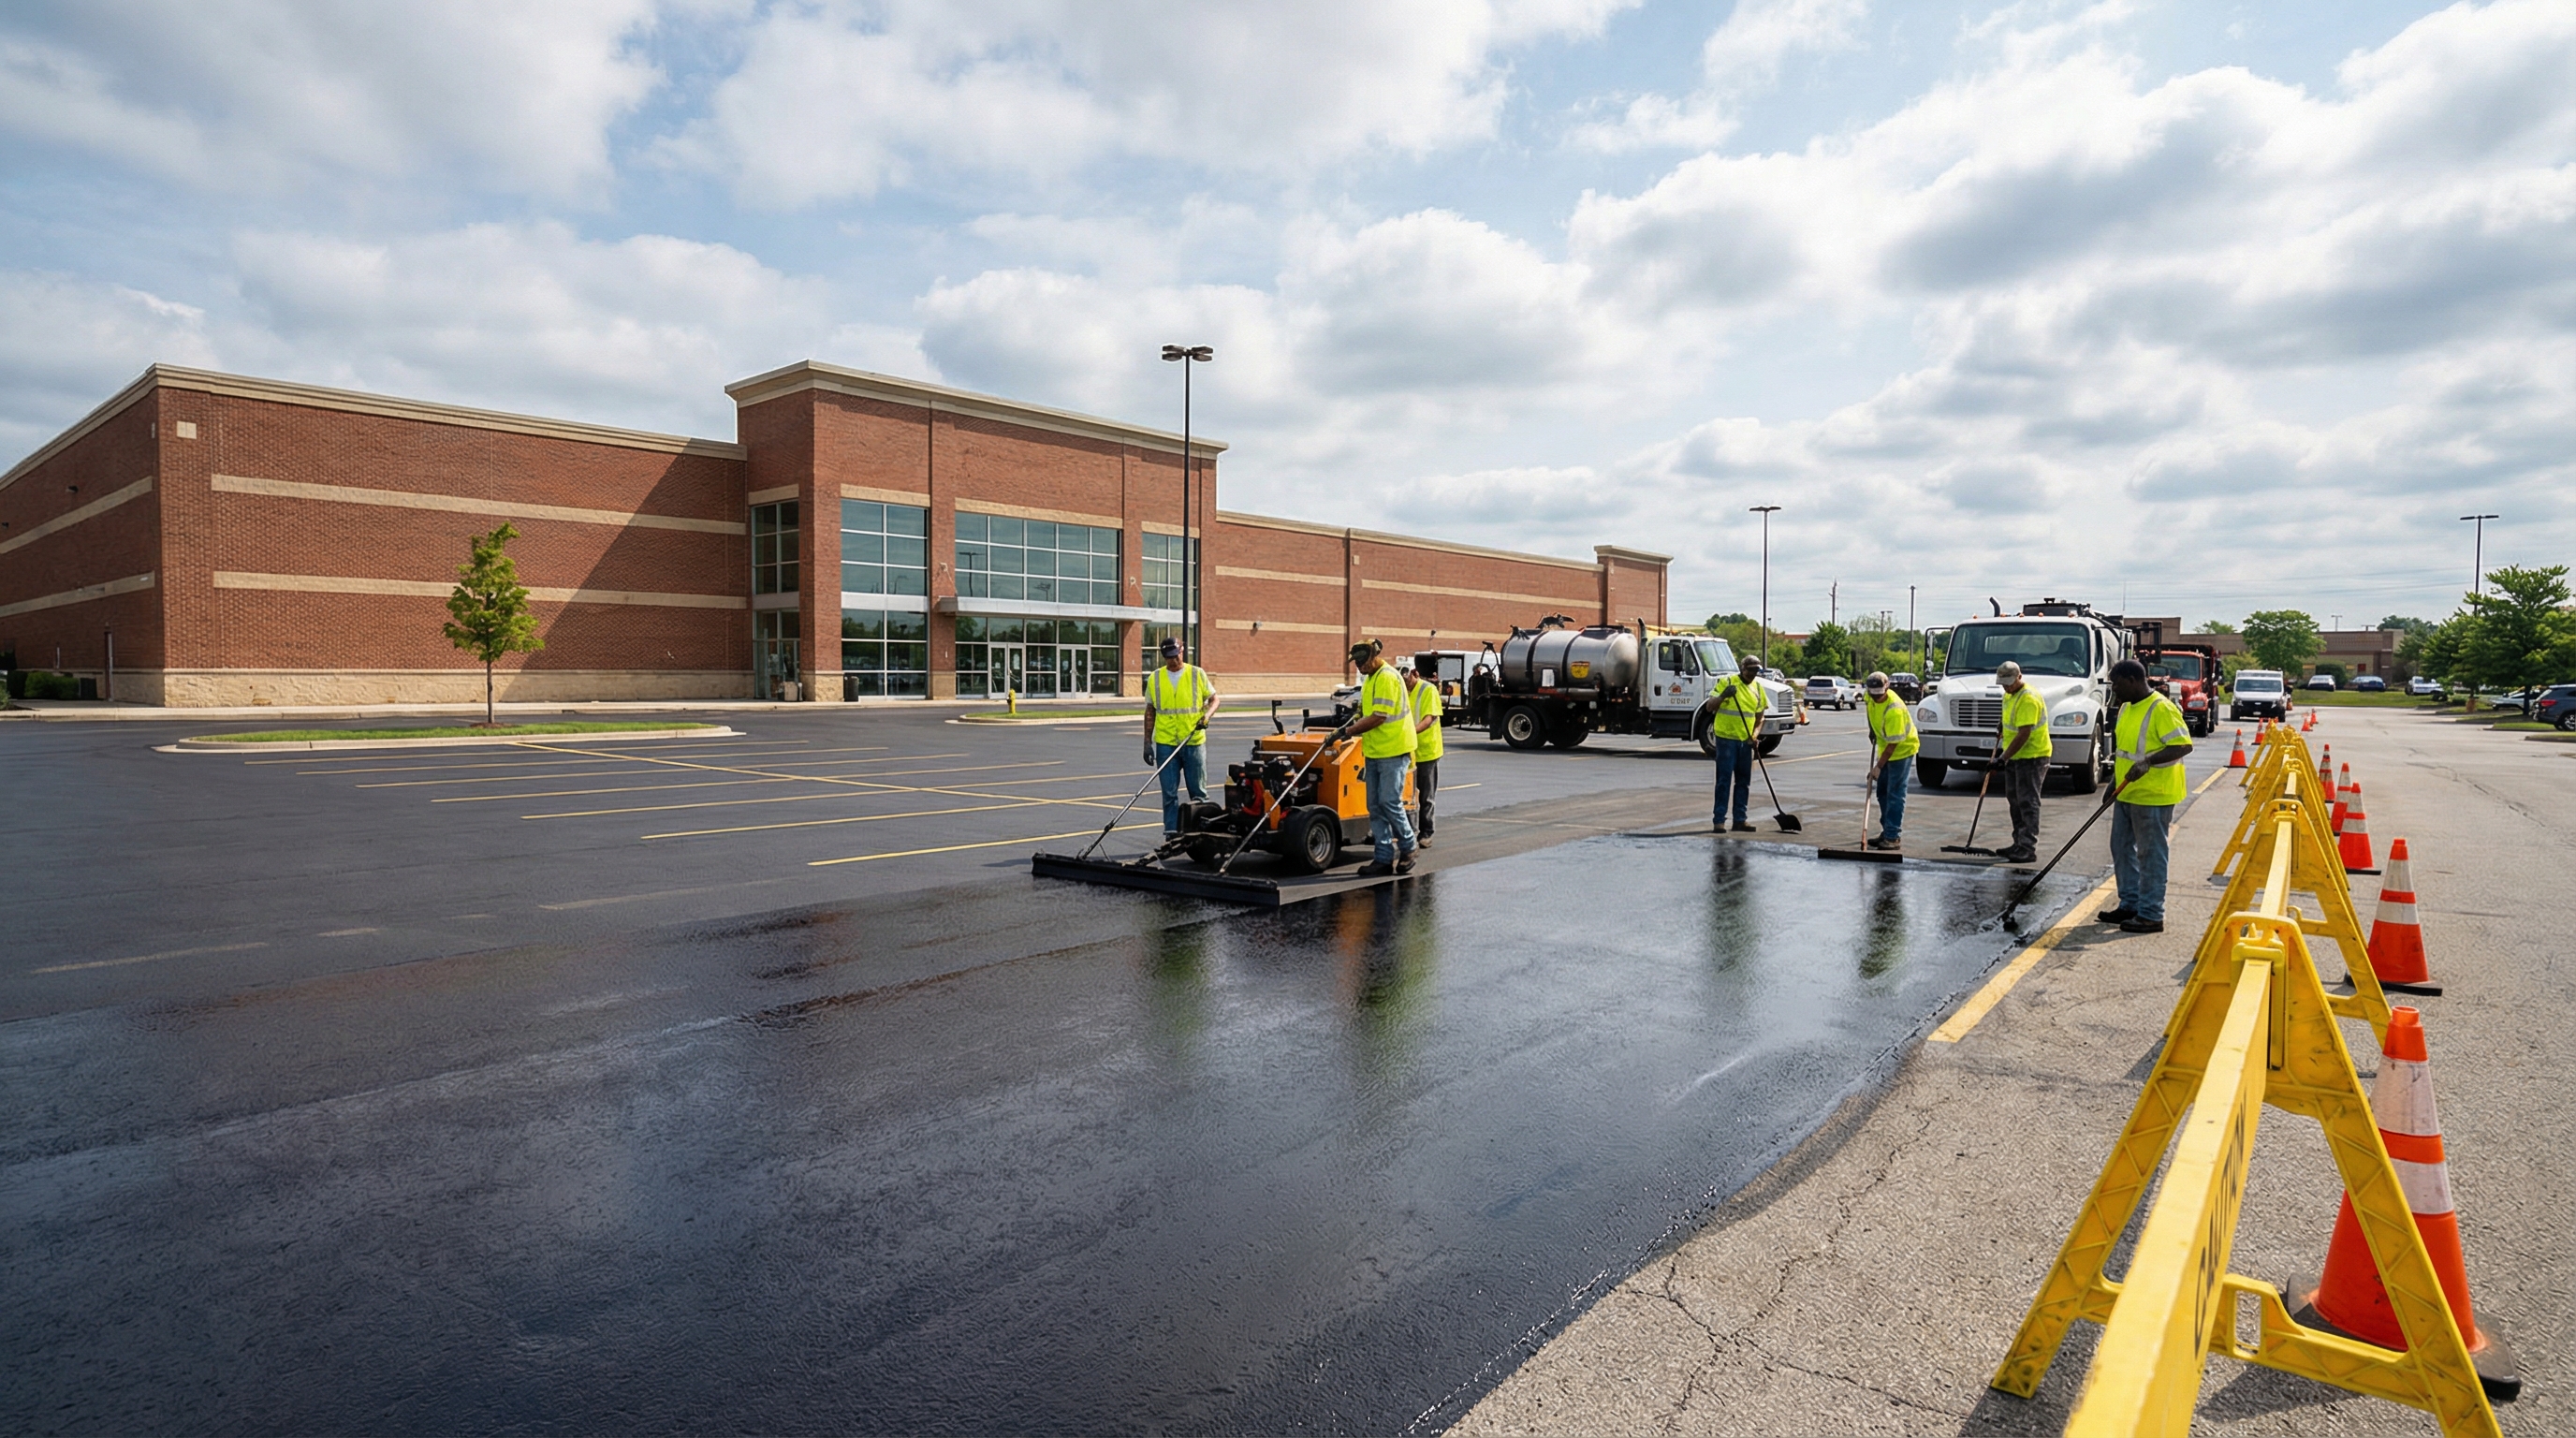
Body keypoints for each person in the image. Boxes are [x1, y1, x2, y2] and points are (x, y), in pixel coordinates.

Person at [2099, 658, 2194, 933]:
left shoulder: (2161, 708)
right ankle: (2130, 904)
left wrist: (2148, 762)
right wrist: (2113, 784)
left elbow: (2183, 745)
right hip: (2128, 791)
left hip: (2154, 795)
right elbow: (2126, 752)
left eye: (2116, 685)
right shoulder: (2127, 707)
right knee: (2121, 848)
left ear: (2132, 680)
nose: (2114, 691)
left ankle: (2151, 913)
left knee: (2150, 855)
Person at [1344, 640, 1418, 875]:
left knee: (1389, 802)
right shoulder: (1371, 679)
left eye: (1361, 661)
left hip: (1393, 750)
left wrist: (1348, 731)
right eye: (1355, 661)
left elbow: (1378, 716)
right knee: (1374, 806)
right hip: (1376, 750)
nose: (1357, 666)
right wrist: (1354, 716)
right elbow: (1367, 711)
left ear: (1373, 657)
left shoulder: (1386, 676)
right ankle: (1383, 858)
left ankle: (1409, 847)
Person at [1141, 636, 1219, 838]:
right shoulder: (1155, 678)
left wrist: (1206, 716)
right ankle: (1172, 832)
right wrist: (1147, 744)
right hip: (1166, 744)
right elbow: (1150, 711)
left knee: (1198, 792)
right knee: (1169, 793)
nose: (1173, 661)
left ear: (1182, 651)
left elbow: (1214, 700)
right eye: (1169, 657)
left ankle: (1202, 832)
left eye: (1176, 656)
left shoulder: (1196, 674)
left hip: (1193, 742)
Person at [1702, 653, 1766, 832]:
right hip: (1726, 740)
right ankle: (1719, 820)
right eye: (1751, 670)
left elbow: (1760, 717)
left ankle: (1740, 819)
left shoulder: (1758, 689)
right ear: (1742, 669)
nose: (1753, 674)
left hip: (1745, 742)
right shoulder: (1727, 683)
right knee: (1724, 780)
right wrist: (1723, 696)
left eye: (1757, 671)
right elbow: (1710, 706)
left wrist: (1754, 736)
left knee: (1743, 782)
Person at [1996, 659, 2050, 862]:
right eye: (2003, 683)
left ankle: (2028, 847)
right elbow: (2012, 721)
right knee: (2015, 800)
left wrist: (2002, 758)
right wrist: (2002, 725)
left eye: (2010, 682)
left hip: (2032, 756)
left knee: (2027, 801)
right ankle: (2018, 842)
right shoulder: (2009, 695)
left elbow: (2024, 733)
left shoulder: (2028, 698)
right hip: (2016, 756)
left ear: (2019, 677)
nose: (2007, 687)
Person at [1862, 671, 1918, 850]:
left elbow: (1894, 744)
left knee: (1895, 793)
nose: (1877, 698)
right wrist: (1872, 729)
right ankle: (1887, 831)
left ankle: (1893, 837)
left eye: (1880, 694)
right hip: (1886, 747)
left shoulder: (1895, 709)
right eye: (1874, 694)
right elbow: (1869, 707)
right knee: (1882, 793)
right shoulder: (1870, 695)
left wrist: (1878, 767)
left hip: (1902, 750)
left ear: (1887, 687)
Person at [1406, 661, 1445, 848]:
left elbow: (1429, 719)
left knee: (1426, 796)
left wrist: (1410, 733)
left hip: (1427, 751)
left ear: (1415, 673)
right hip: (1407, 750)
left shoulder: (1428, 690)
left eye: (1407, 679)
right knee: (1406, 795)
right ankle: (1408, 831)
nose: (1405, 683)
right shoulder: (1402, 691)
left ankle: (1426, 832)